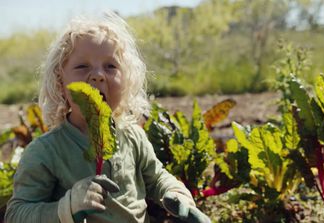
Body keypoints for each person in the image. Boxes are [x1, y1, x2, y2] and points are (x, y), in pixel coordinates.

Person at [5, 12, 211, 223]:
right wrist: (67, 206)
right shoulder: (45, 152)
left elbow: (156, 178)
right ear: (60, 82)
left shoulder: (134, 137)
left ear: (127, 80)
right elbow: (16, 214)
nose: (98, 75)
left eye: (111, 66)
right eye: (82, 66)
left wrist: (176, 193)